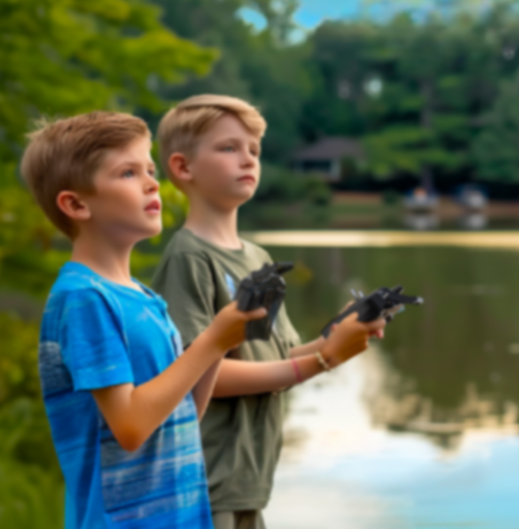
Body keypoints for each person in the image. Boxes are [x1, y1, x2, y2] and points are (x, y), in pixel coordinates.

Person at [149, 94, 385, 529]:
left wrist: (337, 338)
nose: (248, 159)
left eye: (254, 151)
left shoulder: (258, 258)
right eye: (229, 148)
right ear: (183, 168)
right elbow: (196, 376)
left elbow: (279, 363)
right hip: (205, 482)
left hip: (249, 483)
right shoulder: (188, 256)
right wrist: (318, 362)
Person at [20, 111, 265, 528]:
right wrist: (209, 342)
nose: (153, 183)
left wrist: (220, 341)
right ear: (76, 204)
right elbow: (131, 427)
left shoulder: (144, 297)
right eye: (128, 173)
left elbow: (181, 414)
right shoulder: (84, 298)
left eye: (150, 170)